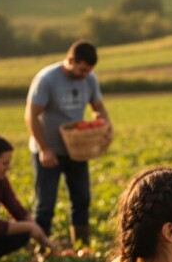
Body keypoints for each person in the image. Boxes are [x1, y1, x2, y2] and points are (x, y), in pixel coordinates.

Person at [25, 40, 112, 246]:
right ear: (71, 60)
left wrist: (107, 127)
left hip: (76, 150)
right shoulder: (47, 79)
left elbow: (98, 107)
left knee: (81, 199)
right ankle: (42, 247)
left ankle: (81, 245)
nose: (85, 75)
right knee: (46, 203)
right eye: (82, 70)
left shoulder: (89, 78)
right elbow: (31, 115)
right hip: (48, 151)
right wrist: (44, 149)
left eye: (89, 71)